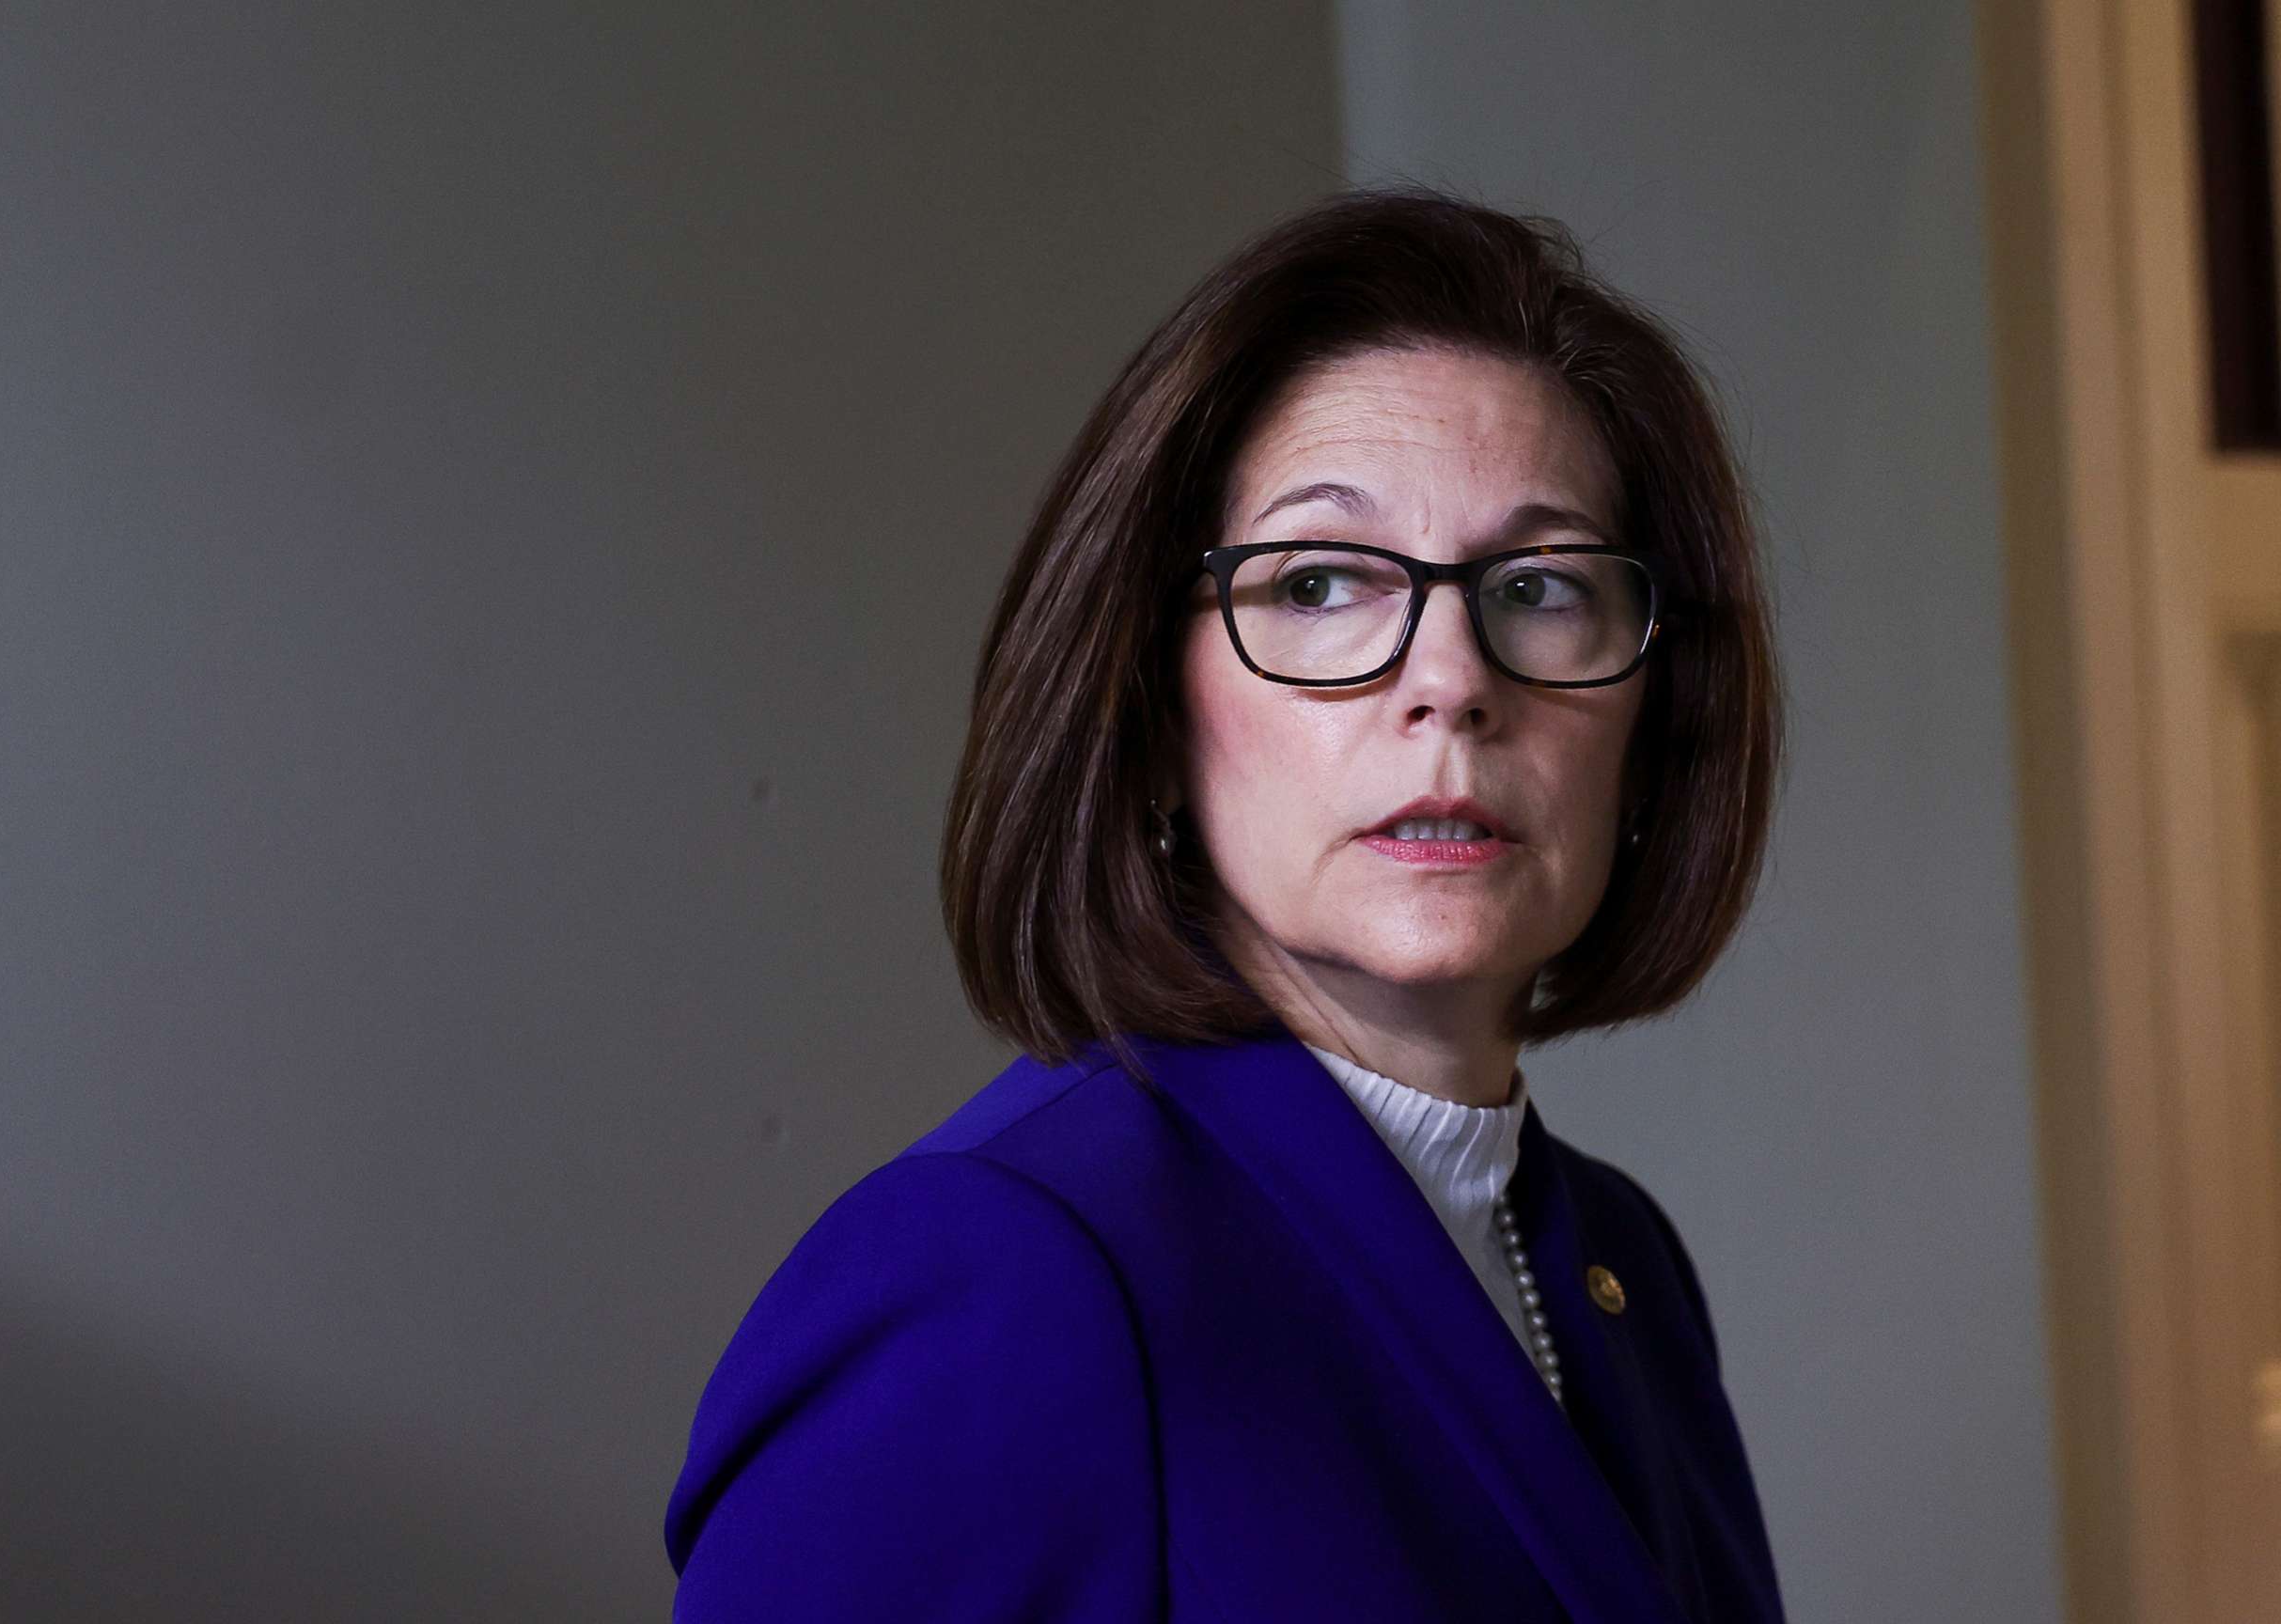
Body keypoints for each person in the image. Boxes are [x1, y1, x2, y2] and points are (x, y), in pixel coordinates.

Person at [663, 185, 1787, 1623]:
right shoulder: (1002, 1278)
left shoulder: (1624, 1268)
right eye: (1320, 582)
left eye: (1542, 586)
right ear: (1147, 708)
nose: (1453, 677)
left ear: (1650, 706)